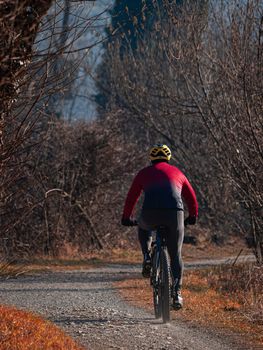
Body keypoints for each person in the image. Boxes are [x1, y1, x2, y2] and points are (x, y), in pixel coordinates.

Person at [121, 144, 198, 309]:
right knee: (175, 254)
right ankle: (177, 294)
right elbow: (191, 197)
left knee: (142, 225)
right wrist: (192, 216)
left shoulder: (143, 173)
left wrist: (126, 217)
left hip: (150, 213)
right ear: (168, 158)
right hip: (174, 214)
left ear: (151, 159)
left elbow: (131, 197)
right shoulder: (178, 173)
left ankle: (147, 257)